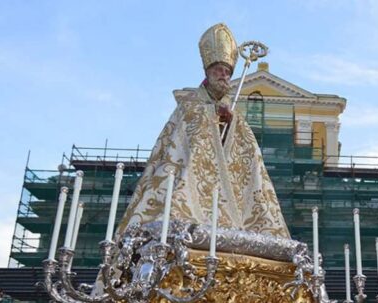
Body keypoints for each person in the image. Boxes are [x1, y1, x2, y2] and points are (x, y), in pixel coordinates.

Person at [116, 22, 289, 238]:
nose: (224, 75)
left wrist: (231, 122)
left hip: (228, 185)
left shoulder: (234, 112)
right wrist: (211, 114)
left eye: (228, 72)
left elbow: (245, 150)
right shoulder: (190, 104)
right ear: (207, 72)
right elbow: (179, 140)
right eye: (219, 70)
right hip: (187, 178)